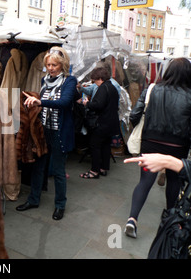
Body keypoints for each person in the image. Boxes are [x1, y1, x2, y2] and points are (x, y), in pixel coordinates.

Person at [124, 57, 191, 239]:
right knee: (174, 182)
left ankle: (132, 219)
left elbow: (135, 113)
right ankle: (170, 222)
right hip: (178, 146)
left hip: (151, 142)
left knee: (145, 181)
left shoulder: (152, 88)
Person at [16, 46, 78, 221]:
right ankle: (33, 200)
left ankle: (60, 205)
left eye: (55, 65)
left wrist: (40, 101)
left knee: (58, 171)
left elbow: (65, 102)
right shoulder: (45, 80)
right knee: (38, 167)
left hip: (59, 132)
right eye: (49, 64)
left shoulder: (69, 81)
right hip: (42, 131)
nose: (51, 68)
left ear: (62, 65)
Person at [79, 67, 120, 179]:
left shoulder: (103, 88)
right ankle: (103, 168)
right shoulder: (112, 87)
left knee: (95, 145)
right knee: (106, 145)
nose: (94, 83)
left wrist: (87, 103)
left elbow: (98, 105)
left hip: (102, 123)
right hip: (111, 123)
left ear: (100, 79)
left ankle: (94, 171)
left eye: (95, 80)